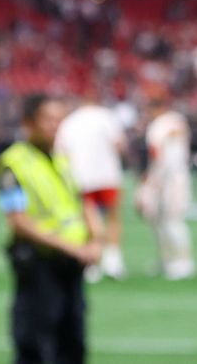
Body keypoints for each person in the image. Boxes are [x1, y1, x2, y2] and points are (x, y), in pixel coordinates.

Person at [0, 94, 101, 364]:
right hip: (39, 263)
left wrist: (96, 239)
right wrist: (73, 247)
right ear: (29, 123)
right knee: (35, 344)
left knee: (73, 343)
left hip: (72, 264)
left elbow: (81, 201)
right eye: (48, 119)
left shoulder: (63, 158)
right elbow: (18, 220)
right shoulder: (11, 163)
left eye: (59, 120)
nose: (54, 126)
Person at [56, 101, 129, 280]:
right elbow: (120, 145)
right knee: (113, 217)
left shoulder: (70, 122)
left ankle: (92, 262)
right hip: (108, 175)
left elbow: (61, 151)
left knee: (89, 218)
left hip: (82, 177)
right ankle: (113, 260)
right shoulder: (107, 117)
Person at [137, 97, 195, 280]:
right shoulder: (176, 119)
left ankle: (182, 261)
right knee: (161, 219)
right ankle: (169, 259)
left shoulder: (158, 125)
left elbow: (156, 154)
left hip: (166, 177)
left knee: (169, 219)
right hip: (177, 174)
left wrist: (149, 180)